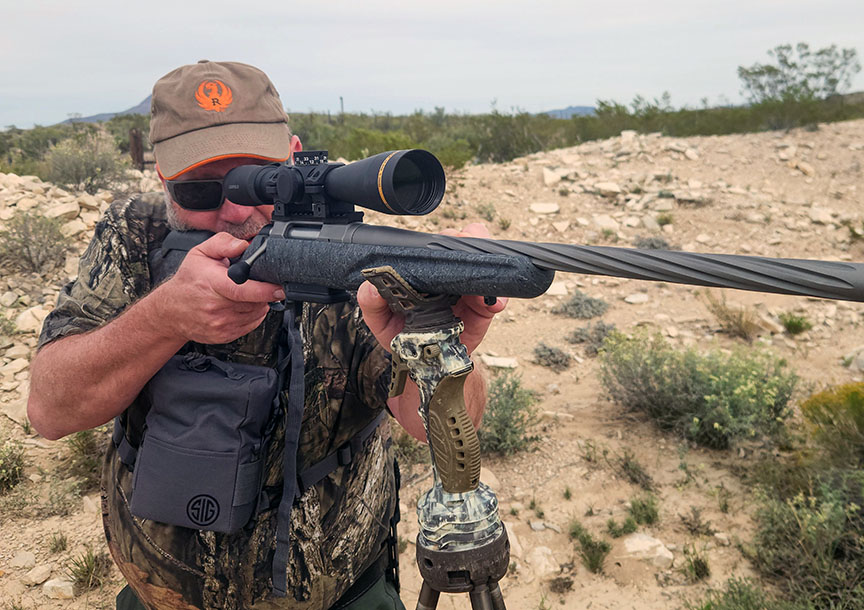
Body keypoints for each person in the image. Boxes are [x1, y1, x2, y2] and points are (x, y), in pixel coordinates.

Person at [26, 60, 505, 610]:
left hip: (343, 593)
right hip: (160, 592)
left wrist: (445, 345)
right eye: (201, 189)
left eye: (260, 179)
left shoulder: (349, 254)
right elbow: (50, 409)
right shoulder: (136, 235)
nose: (234, 209)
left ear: (293, 157)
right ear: (161, 175)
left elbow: (430, 426)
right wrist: (164, 318)